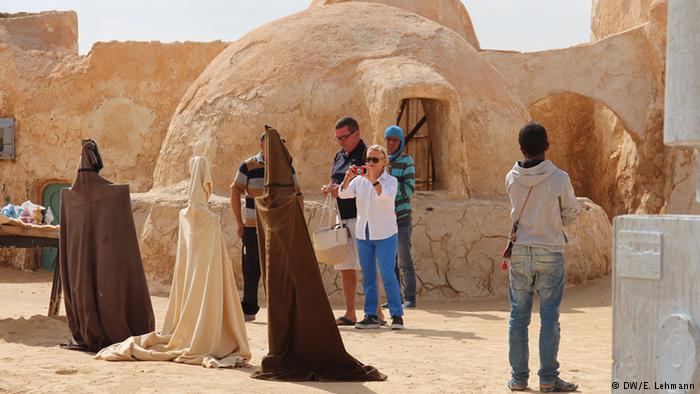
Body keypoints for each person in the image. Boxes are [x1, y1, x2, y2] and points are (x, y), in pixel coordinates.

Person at [96, 157, 251, 368]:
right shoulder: (210, 219)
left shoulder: (184, 214)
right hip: (207, 280)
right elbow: (216, 259)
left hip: (189, 281)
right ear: (206, 182)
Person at [505, 122, 579, 392]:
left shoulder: (511, 177)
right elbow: (571, 213)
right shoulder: (560, 178)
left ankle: (518, 378)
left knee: (518, 317)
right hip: (551, 250)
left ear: (521, 148)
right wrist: (552, 221)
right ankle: (548, 378)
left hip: (521, 252)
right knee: (549, 317)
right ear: (547, 146)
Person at [231, 132, 301, 322]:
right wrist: (239, 221)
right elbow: (235, 190)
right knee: (251, 267)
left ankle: (279, 310)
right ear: (261, 146)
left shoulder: (286, 165)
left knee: (278, 268)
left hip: (278, 226)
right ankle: (249, 308)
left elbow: (297, 193)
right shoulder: (249, 165)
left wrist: (296, 225)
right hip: (253, 226)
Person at [321, 117, 385, 325]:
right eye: (337, 138)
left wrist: (340, 191)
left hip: (362, 217)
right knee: (346, 265)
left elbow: (371, 184)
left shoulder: (368, 156)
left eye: (344, 137)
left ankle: (376, 313)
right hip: (343, 217)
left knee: (367, 266)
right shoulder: (340, 155)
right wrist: (330, 188)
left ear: (356, 133)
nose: (341, 142)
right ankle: (350, 313)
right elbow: (337, 179)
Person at [338, 145, 404, 330]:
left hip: (385, 234)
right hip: (363, 234)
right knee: (368, 277)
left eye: (375, 160)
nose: (370, 163)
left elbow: (385, 197)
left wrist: (373, 180)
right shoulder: (359, 181)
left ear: (384, 162)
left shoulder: (391, 181)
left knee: (388, 274)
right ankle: (371, 315)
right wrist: (347, 177)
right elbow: (343, 195)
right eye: (368, 160)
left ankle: (397, 315)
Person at [384, 125, 417, 308]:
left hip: (402, 218)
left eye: (394, 140)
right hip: (387, 219)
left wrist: (389, 189)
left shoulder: (407, 161)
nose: (391, 143)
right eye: (388, 139)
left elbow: (409, 189)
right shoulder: (383, 161)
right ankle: (394, 299)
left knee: (405, 260)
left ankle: (410, 298)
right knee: (390, 262)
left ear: (401, 142)